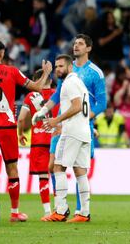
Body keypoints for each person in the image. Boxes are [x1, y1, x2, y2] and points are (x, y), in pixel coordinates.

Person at [0, 39, 52, 223]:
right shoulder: (12, 71)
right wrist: (46, 72)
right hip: (7, 126)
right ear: (2, 53)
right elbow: (38, 87)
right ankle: (15, 212)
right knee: (12, 169)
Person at [32, 34, 106, 216]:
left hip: (76, 124)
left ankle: (75, 210)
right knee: (53, 166)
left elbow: (102, 103)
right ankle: (63, 207)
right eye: (74, 43)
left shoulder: (94, 73)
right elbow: (56, 95)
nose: (76, 46)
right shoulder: (65, 71)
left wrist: (86, 119)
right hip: (63, 124)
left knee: (71, 167)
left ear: (89, 48)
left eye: (81, 44)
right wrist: (42, 112)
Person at [40, 54, 91, 222]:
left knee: (58, 168)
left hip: (72, 133)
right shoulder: (79, 83)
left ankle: (61, 210)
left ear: (70, 67)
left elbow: (76, 106)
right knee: (80, 172)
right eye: (56, 66)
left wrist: (57, 120)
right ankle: (84, 212)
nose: (57, 69)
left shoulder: (69, 82)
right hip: (83, 132)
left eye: (61, 66)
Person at [17, 69, 58, 220]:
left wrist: (21, 133)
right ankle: (59, 209)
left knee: (43, 177)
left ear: (36, 81)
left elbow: (21, 119)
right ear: (50, 80)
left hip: (39, 141)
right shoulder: (57, 93)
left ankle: (47, 212)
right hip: (56, 138)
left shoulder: (30, 96)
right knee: (57, 174)